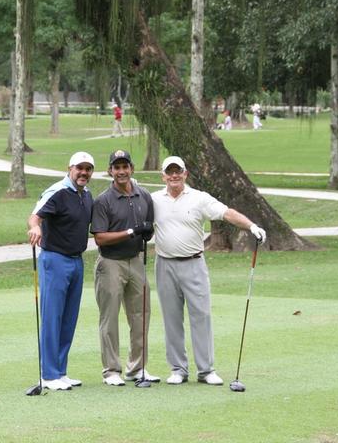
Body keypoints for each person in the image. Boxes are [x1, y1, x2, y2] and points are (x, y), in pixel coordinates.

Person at [151, 156, 267, 386]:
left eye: (178, 171)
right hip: (164, 265)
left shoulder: (199, 198)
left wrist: (252, 226)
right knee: (171, 318)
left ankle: (206, 370)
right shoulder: (153, 199)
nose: (174, 176)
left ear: (185, 173)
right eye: (169, 172)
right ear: (163, 176)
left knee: (201, 316)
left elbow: (227, 213)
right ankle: (178, 369)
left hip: (194, 264)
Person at [27, 151, 95, 391]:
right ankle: (48, 374)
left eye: (88, 169)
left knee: (68, 319)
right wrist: (36, 228)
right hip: (55, 260)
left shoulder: (86, 196)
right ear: (70, 169)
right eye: (80, 168)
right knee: (52, 317)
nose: (83, 173)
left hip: (77, 261)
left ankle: (60, 371)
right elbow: (35, 216)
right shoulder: (57, 192)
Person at [91, 150, 159, 386]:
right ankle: (111, 370)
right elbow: (99, 238)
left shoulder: (144, 196)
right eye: (116, 167)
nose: (121, 172)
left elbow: (148, 228)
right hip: (110, 263)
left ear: (132, 169)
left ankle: (137, 368)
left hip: (136, 260)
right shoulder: (103, 200)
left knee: (141, 315)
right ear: (110, 171)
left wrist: (147, 232)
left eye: (125, 167)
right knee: (109, 317)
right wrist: (131, 231)